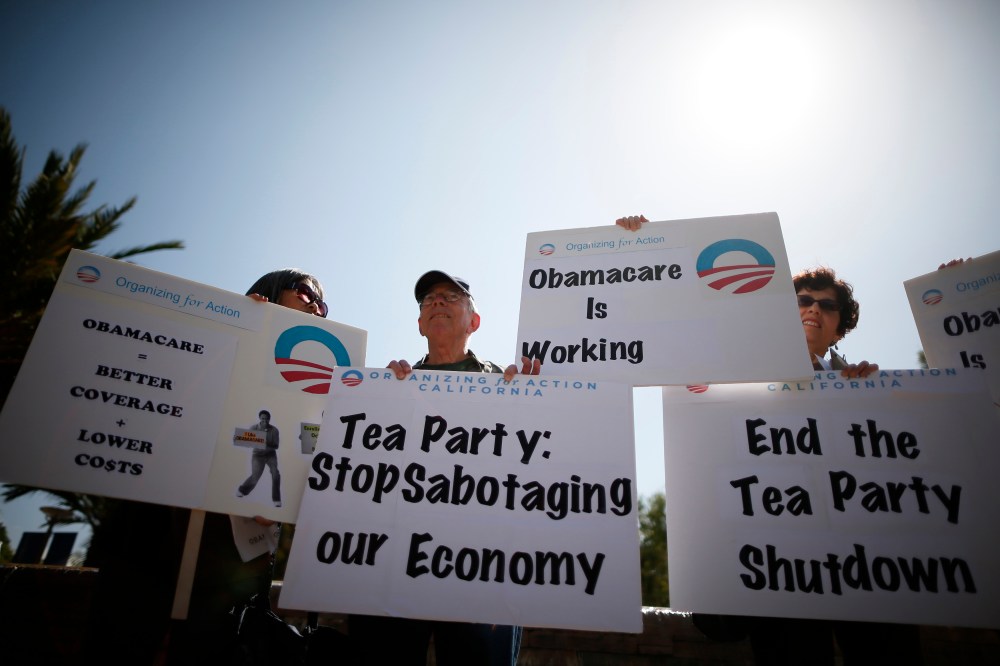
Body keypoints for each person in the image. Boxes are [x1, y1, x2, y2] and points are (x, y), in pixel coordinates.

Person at [347, 269, 539, 666]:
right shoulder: (391, 387)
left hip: (483, 571)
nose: (437, 302)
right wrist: (377, 404)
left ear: (475, 321)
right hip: (395, 563)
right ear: (420, 324)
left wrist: (538, 403)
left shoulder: (510, 387)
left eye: (450, 297)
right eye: (429, 300)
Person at [165, 269, 330, 665]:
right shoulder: (222, 344)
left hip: (253, 541)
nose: (315, 306)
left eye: (321, 303)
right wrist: (243, 327)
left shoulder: (316, 380)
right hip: (186, 531)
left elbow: (309, 446)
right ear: (270, 291)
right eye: (306, 293)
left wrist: (282, 504)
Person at [236, 408, 282, 507]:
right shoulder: (253, 428)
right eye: (262, 419)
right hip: (257, 455)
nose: (264, 421)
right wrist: (241, 439)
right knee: (255, 477)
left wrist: (266, 445)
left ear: (269, 419)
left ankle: (276, 499)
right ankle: (242, 490)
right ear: (259, 418)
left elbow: (276, 446)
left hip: (270, 455)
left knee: (276, 474)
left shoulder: (274, 430)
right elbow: (247, 441)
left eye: (266, 419)